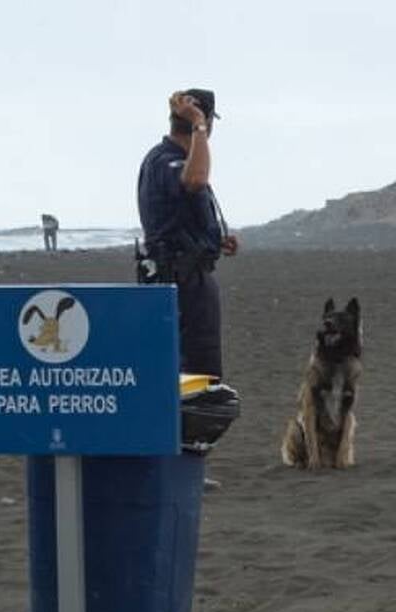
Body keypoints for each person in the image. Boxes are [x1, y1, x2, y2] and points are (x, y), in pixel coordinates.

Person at [136, 89, 240, 490]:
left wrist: (216, 240)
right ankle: (182, 467)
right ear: (206, 122)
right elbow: (195, 180)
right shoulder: (167, 160)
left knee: (186, 374)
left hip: (183, 274)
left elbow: (185, 207)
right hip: (180, 282)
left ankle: (182, 464)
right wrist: (198, 125)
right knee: (199, 376)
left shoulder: (166, 159)